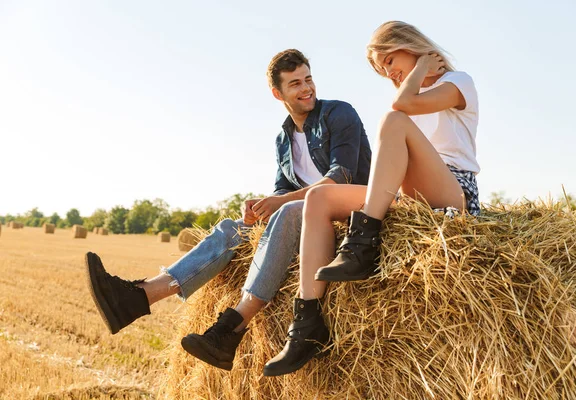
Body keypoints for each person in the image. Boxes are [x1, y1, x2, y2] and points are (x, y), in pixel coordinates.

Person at [85, 49, 372, 371]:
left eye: (308, 79)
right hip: (300, 212)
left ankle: (232, 326)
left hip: (350, 207)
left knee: (288, 211)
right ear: (278, 93)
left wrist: (281, 203)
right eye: (295, 84)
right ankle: (141, 296)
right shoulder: (283, 138)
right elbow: (282, 188)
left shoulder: (339, 113)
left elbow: (342, 175)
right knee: (232, 228)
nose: (306, 88)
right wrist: (260, 207)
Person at [263, 21, 481, 377]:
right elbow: (403, 105)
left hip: (452, 192)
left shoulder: (458, 83)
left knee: (392, 120)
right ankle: (306, 325)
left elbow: (402, 104)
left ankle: (361, 244)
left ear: (412, 45)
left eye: (390, 59)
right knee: (319, 198)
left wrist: (424, 65)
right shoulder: (409, 97)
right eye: (382, 68)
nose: (389, 71)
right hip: (407, 197)